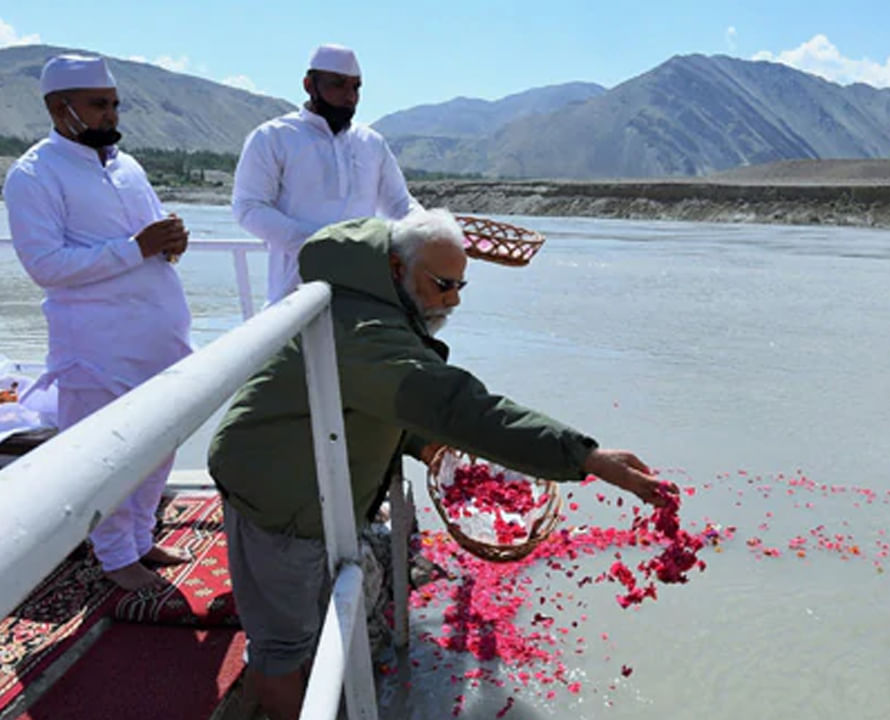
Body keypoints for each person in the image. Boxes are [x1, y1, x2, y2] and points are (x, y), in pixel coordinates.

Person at [207, 208, 669, 720]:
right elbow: (453, 404)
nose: (452, 300)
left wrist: (421, 445)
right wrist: (587, 456)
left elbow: (371, 402)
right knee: (281, 643)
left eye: (461, 286)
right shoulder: (365, 329)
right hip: (278, 494)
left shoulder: (372, 300)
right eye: (443, 284)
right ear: (396, 267)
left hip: (307, 473)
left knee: (305, 616)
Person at [3, 54, 193, 590]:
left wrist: (171, 240)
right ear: (58, 108)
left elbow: (150, 239)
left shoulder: (126, 166)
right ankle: (115, 558)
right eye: (98, 104)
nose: (110, 114)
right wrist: (135, 249)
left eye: (113, 103)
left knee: (160, 443)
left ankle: (140, 539)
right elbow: (45, 266)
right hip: (96, 346)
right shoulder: (34, 175)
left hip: (159, 335)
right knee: (105, 453)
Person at [231, 43, 424, 305]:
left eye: (356, 87)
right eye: (338, 84)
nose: (350, 96)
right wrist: (321, 245)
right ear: (309, 85)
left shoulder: (371, 142)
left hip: (363, 293)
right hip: (293, 295)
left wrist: (428, 230)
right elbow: (248, 208)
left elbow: (400, 204)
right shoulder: (273, 137)